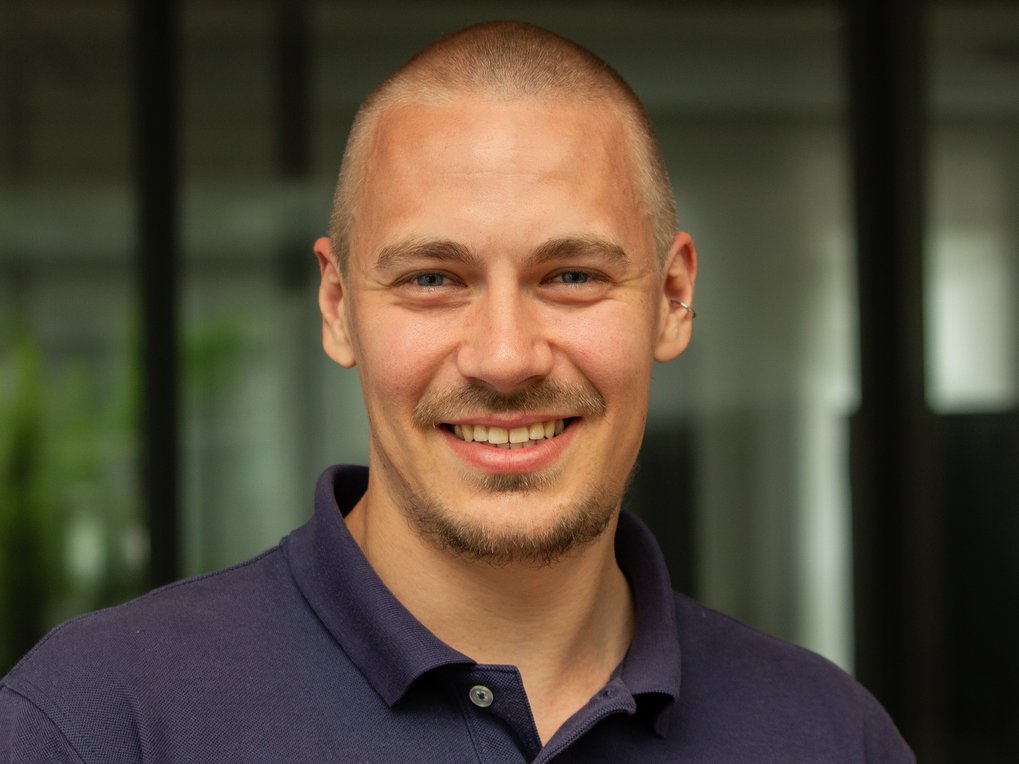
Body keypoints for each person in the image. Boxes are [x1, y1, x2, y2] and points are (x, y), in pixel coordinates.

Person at [1, 21, 913, 762]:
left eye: (570, 276)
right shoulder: (98, 724)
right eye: (434, 279)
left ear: (672, 298)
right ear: (337, 307)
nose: (506, 359)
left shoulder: (831, 735)